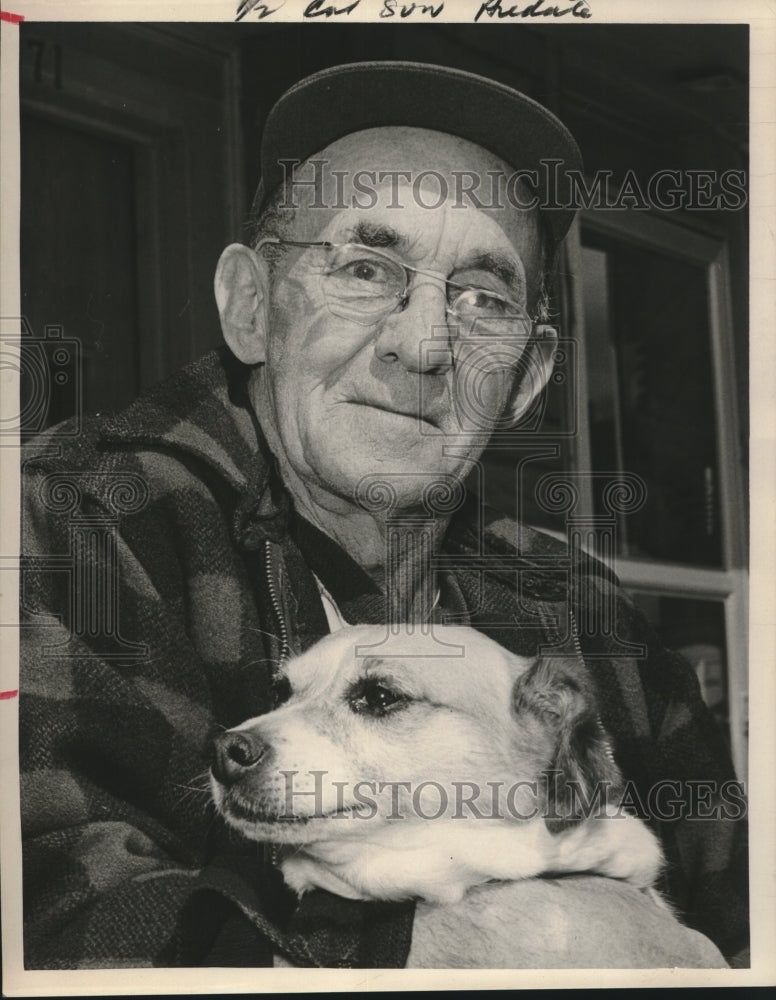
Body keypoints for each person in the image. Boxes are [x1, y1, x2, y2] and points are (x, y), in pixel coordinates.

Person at [19, 61, 748, 969]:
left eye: (483, 300)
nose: (422, 345)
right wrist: (480, 942)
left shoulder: (581, 615)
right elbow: (52, 916)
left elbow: (747, 919)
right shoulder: (76, 522)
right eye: (366, 268)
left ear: (525, 375)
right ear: (251, 308)